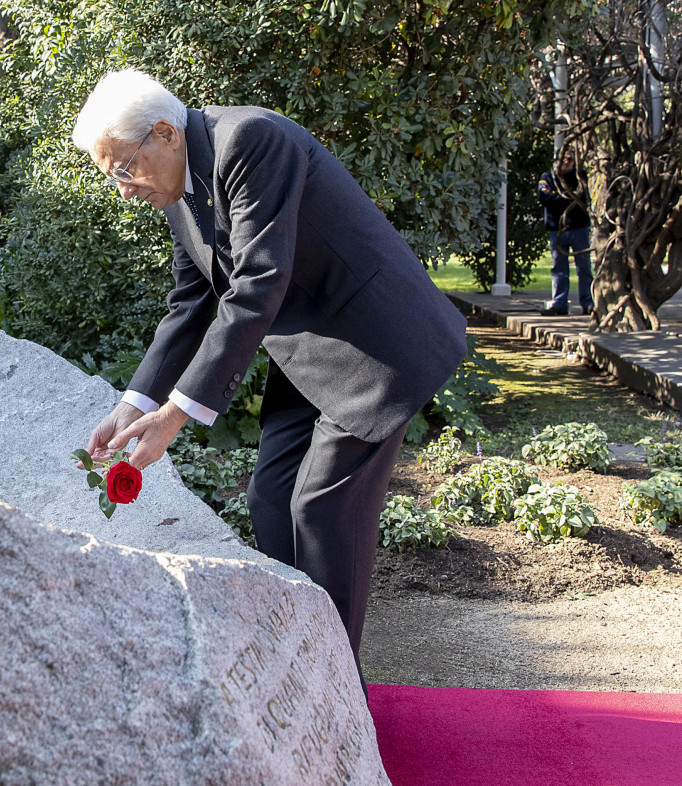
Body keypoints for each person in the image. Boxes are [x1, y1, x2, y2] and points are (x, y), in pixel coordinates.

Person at [72, 68, 467, 690]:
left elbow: (257, 283)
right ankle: (301, 651)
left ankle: (334, 692)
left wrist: (175, 416)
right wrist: (135, 402)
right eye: (110, 176)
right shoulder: (179, 189)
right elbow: (192, 300)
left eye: (123, 167)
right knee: (268, 495)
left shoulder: (252, 139)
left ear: (165, 133)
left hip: (376, 346)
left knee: (322, 508)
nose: (122, 188)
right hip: (312, 350)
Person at [537, 148, 593, 316]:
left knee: (584, 267)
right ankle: (559, 303)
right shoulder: (547, 177)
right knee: (559, 268)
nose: (566, 162)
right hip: (557, 230)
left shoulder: (580, 176)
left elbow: (581, 198)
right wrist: (567, 197)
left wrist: (558, 197)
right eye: (563, 159)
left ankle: (588, 303)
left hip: (579, 228)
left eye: (570, 159)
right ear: (556, 160)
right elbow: (544, 198)